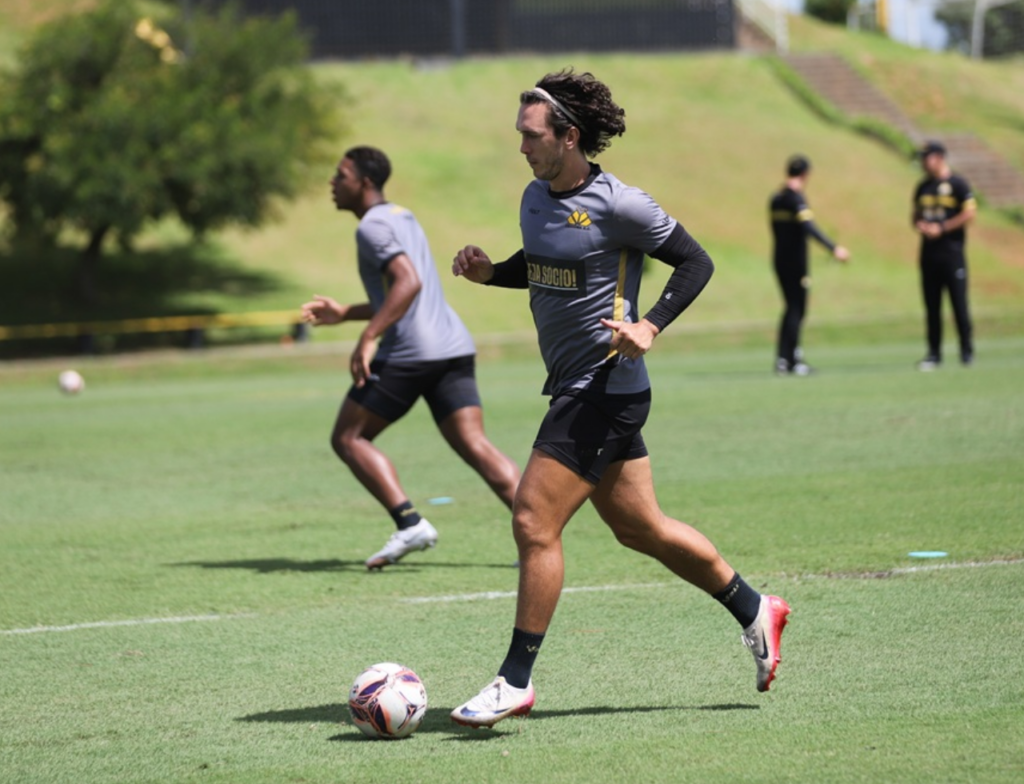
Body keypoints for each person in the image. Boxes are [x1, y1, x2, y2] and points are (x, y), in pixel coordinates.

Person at [448, 69, 791, 728]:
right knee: (641, 528)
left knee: (532, 521)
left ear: (568, 136)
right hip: (580, 384)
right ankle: (756, 608)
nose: (521, 146)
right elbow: (546, 265)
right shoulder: (534, 195)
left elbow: (696, 262)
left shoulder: (621, 204)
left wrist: (650, 324)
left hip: (604, 385)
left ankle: (515, 680)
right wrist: (494, 273)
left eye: (531, 135)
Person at [301, 146, 520, 570]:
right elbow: (397, 294)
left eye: (340, 175)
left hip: (411, 353)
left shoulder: (371, 228)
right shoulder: (402, 215)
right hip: (452, 345)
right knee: (475, 445)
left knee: (348, 437)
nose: (333, 182)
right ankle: (536, 530)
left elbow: (408, 283)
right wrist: (347, 313)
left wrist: (368, 336)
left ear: (364, 183)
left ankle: (410, 523)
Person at [769, 155, 850, 376]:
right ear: (805, 174)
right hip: (796, 262)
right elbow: (809, 227)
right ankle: (793, 359)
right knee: (797, 308)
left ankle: (783, 359)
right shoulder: (796, 199)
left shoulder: (776, 198)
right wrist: (834, 249)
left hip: (778, 260)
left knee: (789, 308)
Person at [912, 140, 976, 371]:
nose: (923, 162)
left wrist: (942, 228)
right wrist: (922, 226)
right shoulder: (923, 187)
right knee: (932, 307)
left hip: (952, 254)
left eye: (926, 157)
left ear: (939, 157)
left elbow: (969, 214)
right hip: (928, 256)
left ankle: (966, 351)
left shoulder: (958, 184)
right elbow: (915, 215)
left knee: (959, 304)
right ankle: (934, 353)